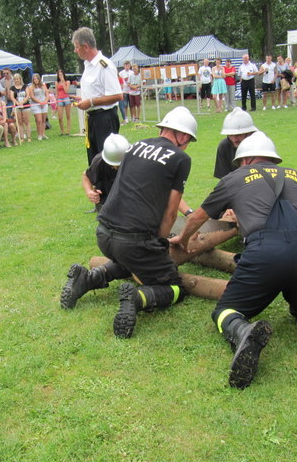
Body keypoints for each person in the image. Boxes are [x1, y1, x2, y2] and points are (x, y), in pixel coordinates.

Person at [170, 132, 297, 389]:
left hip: (266, 254)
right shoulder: (295, 175)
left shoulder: (234, 178)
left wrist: (183, 240)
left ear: (247, 159)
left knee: (225, 311)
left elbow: (198, 218)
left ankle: (242, 332)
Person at [60, 106, 197, 339]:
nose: (187, 146)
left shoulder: (134, 147)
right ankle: (137, 298)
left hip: (104, 234)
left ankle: (88, 278)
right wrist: (161, 243)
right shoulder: (181, 159)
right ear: (183, 136)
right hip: (132, 241)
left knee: (135, 261)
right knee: (175, 287)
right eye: (188, 141)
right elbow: (171, 213)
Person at [72, 27, 123, 164]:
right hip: (92, 118)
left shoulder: (104, 65)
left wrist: (91, 102)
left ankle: (110, 186)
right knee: (94, 161)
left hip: (104, 119)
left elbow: (118, 95)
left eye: (77, 47)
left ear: (86, 46)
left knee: (107, 161)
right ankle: (97, 185)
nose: (75, 50)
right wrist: (83, 100)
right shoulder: (88, 66)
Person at [82, 133, 131, 212]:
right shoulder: (99, 161)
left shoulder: (135, 158)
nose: (120, 167)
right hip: (107, 204)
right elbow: (86, 176)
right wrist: (89, 192)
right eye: (117, 165)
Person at [213, 107, 258, 179]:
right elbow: (224, 180)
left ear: (249, 133)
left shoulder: (260, 145)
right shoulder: (224, 147)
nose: (234, 140)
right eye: (230, 135)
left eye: (238, 135)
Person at [9, 73, 31, 142]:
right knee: (20, 122)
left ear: (20, 79)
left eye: (17, 79)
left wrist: (23, 102)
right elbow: (12, 97)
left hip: (25, 105)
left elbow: (27, 95)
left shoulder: (25, 86)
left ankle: (29, 137)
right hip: (17, 106)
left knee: (27, 121)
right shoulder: (12, 88)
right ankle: (22, 137)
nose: (16, 80)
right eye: (15, 79)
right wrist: (17, 103)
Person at [28, 73, 49, 140]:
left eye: (37, 78)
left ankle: (43, 134)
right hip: (36, 104)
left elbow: (47, 94)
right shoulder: (31, 87)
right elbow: (32, 96)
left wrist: (45, 101)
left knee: (43, 120)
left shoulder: (43, 85)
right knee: (39, 120)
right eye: (34, 79)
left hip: (44, 103)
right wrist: (39, 102)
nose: (36, 80)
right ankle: (39, 134)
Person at [55, 69, 72, 135]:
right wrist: (56, 102)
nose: (60, 76)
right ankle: (62, 131)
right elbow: (57, 92)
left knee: (68, 116)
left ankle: (68, 131)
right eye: (59, 75)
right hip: (60, 99)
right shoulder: (56, 83)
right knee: (60, 117)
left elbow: (66, 91)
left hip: (66, 98)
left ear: (63, 75)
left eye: (61, 74)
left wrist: (63, 82)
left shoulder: (67, 82)